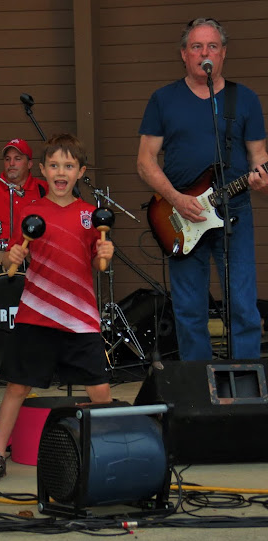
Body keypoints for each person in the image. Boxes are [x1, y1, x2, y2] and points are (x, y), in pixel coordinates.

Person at [0, 133, 114, 483]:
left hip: (81, 320)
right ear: (42, 170)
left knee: (99, 390)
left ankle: (112, 449)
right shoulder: (30, 211)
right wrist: (13, 255)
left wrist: (104, 256)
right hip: (36, 316)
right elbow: (11, 255)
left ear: (80, 171)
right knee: (17, 388)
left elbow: (98, 267)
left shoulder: (90, 216)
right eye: (54, 165)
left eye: (69, 166)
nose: (61, 172)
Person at [137, 18, 268, 361]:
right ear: (184, 54)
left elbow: (260, 158)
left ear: (223, 53)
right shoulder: (163, 99)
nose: (204, 53)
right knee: (189, 309)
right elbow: (145, 162)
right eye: (197, 46)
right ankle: (199, 395)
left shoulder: (246, 99)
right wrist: (177, 200)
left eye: (212, 46)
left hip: (234, 212)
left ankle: (246, 388)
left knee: (242, 305)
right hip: (182, 213)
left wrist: (261, 179)